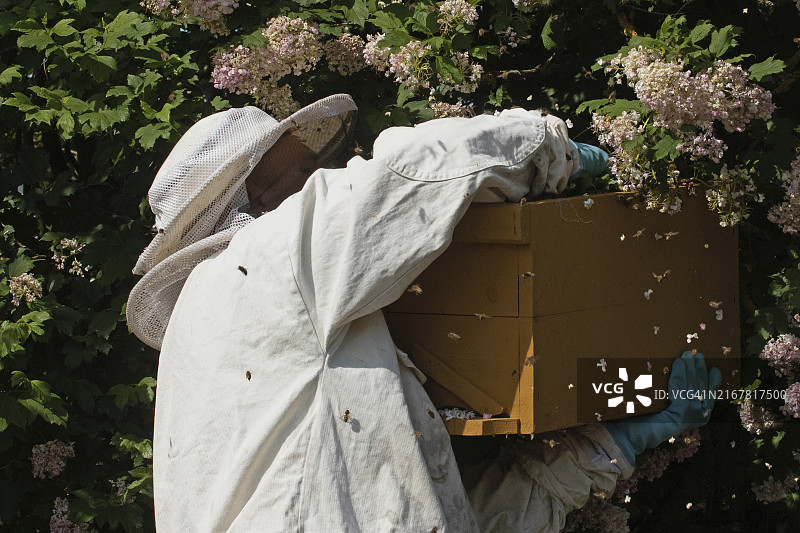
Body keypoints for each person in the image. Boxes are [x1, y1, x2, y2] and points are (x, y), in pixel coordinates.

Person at [127, 94, 720, 532]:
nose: (325, 182)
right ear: (255, 199)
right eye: (303, 174)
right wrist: (558, 152)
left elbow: (419, 511)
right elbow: (413, 170)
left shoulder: (209, 339)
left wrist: (611, 448)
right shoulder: (267, 262)